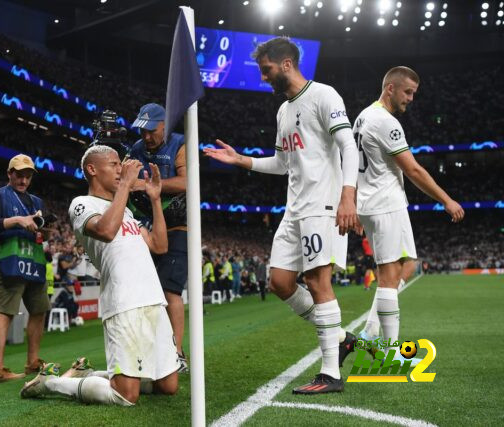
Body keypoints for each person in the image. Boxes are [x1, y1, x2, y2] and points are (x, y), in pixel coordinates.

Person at [203, 37, 359, 394]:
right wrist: (241, 160)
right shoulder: (283, 111)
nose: (263, 78)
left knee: (319, 282)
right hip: (294, 210)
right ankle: (339, 337)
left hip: (322, 205)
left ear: (286, 63)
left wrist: (348, 196)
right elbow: (282, 163)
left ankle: (331, 374)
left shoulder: (324, 95)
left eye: (267, 70)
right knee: (279, 283)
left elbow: (347, 145)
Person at [20, 145, 178, 405]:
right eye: (114, 164)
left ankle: (88, 373)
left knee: (168, 386)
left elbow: (160, 246)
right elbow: (105, 231)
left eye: (120, 165)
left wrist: (155, 199)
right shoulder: (81, 204)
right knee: (126, 396)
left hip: (153, 298)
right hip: (123, 301)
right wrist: (127, 186)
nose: (120, 169)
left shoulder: (125, 210)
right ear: (92, 169)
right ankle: (53, 383)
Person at [353, 66, 465, 354]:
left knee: (407, 264)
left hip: (369, 203)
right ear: (390, 88)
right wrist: (446, 199)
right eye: (408, 92)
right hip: (386, 203)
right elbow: (413, 169)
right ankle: (388, 351)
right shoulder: (385, 122)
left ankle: (371, 330)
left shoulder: (363, 116)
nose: (411, 98)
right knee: (390, 276)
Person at [128, 103, 189, 370]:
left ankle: (177, 353)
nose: (146, 136)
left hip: (178, 226)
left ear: (164, 125)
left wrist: (148, 185)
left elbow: (188, 182)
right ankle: (150, 349)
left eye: (151, 130)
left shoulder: (180, 143)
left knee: (170, 290)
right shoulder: (136, 149)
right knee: (146, 291)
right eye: (142, 131)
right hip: (144, 225)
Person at [0, 154, 50, 383]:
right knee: (5, 311)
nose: (23, 179)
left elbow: (41, 229)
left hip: (35, 260)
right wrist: (18, 220)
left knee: (39, 310)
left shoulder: (36, 201)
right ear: (9, 174)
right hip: (10, 259)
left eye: (27, 175)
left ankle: (32, 362)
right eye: (19, 174)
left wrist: (44, 230)